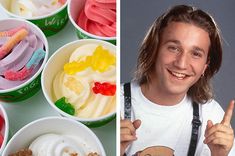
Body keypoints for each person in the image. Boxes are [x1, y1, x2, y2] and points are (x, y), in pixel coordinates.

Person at [120, 5, 235, 156]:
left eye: (195, 53)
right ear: (153, 49)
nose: (181, 63)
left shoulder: (210, 115)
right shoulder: (116, 103)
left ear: (205, 66)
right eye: (173, 48)